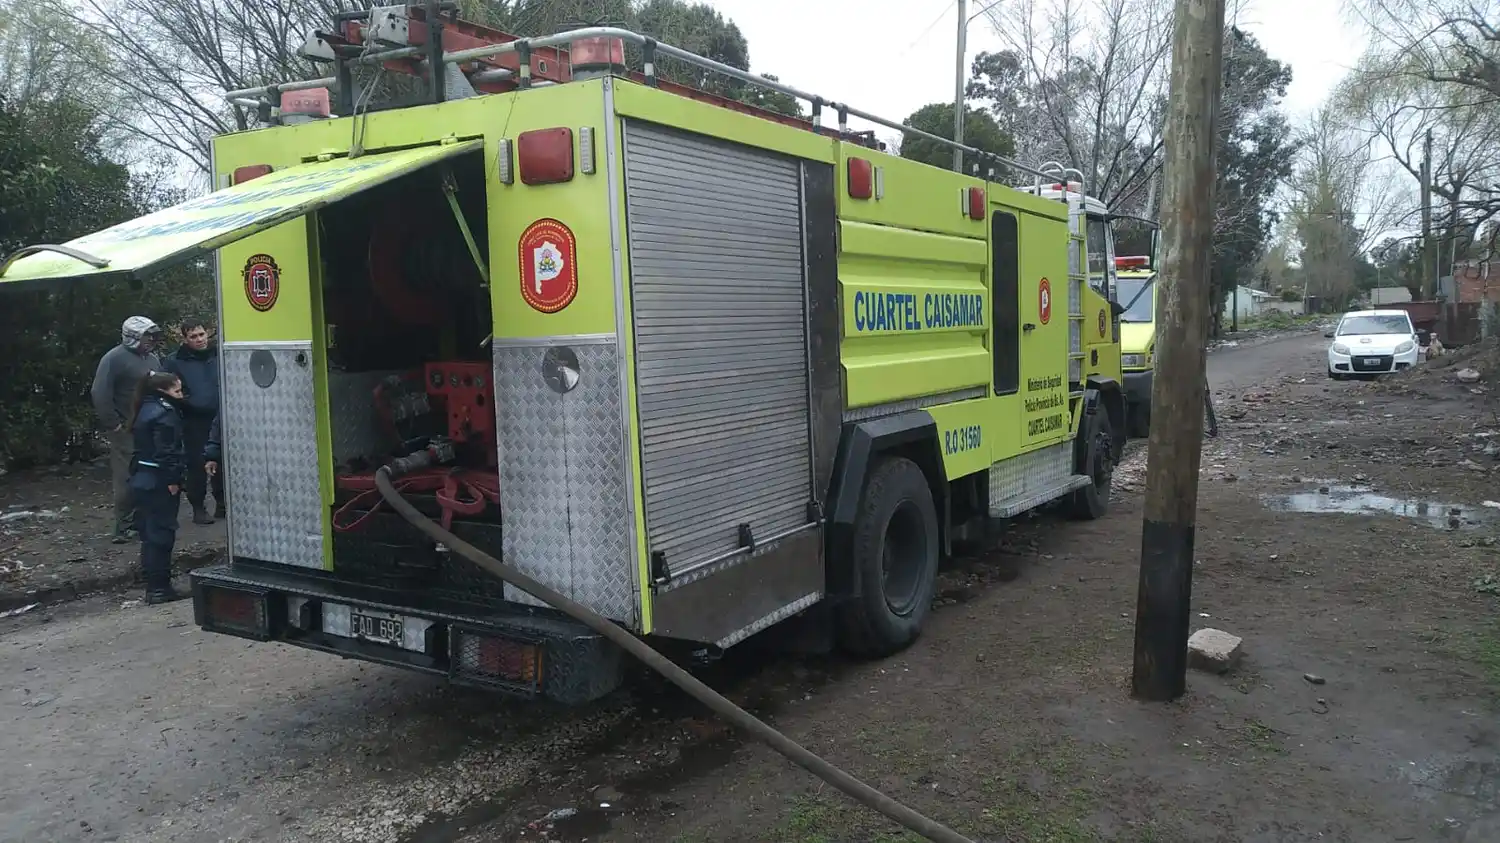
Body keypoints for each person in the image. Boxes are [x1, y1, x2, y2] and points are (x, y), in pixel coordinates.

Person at [91, 316, 165, 543]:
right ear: (133, 337)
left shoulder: (152, 359)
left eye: (153, 336)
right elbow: (100, 392)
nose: (151, 340)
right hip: (126, 427)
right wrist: (113, 424)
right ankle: (123, 526)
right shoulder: (113, 358)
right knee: (126, 477)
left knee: (150, 474)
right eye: (147, 336)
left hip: (151, 425)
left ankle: (142, 521)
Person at [128, 371, 188, 604]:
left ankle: (153, 584)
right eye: (177, 390)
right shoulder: (165, 413)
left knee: (149, 534)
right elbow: (167, 451)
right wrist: (173, 480)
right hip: (158, 480)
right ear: (162, 391)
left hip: (143, 477)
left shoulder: (143, 407)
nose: (180, 395)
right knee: (161, 534)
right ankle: (160, 588)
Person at [162, 318, 224, 524]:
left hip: (221, 416)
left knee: (223, 462)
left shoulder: (219, 355)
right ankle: (198, 507)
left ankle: (222, 504)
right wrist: (186, 405)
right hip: (193, 420)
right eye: (193, 337)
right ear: (185, 339)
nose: (199, 340)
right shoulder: (175, 361)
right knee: (196, 465)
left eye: (201, 335)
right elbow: (168, 390)